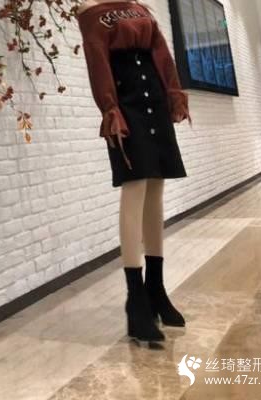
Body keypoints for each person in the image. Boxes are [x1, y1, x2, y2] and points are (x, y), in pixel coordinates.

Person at [76, 0, 190, 342]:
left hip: (154, 98)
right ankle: (135, 297)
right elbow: (97, 61)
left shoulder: (138, 6)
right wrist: (110, 108)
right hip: (126, 105)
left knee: (156, 189)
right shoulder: (90, 8)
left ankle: (156, 288)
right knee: (135, 187)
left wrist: (172, 92)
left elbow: (162, 52)